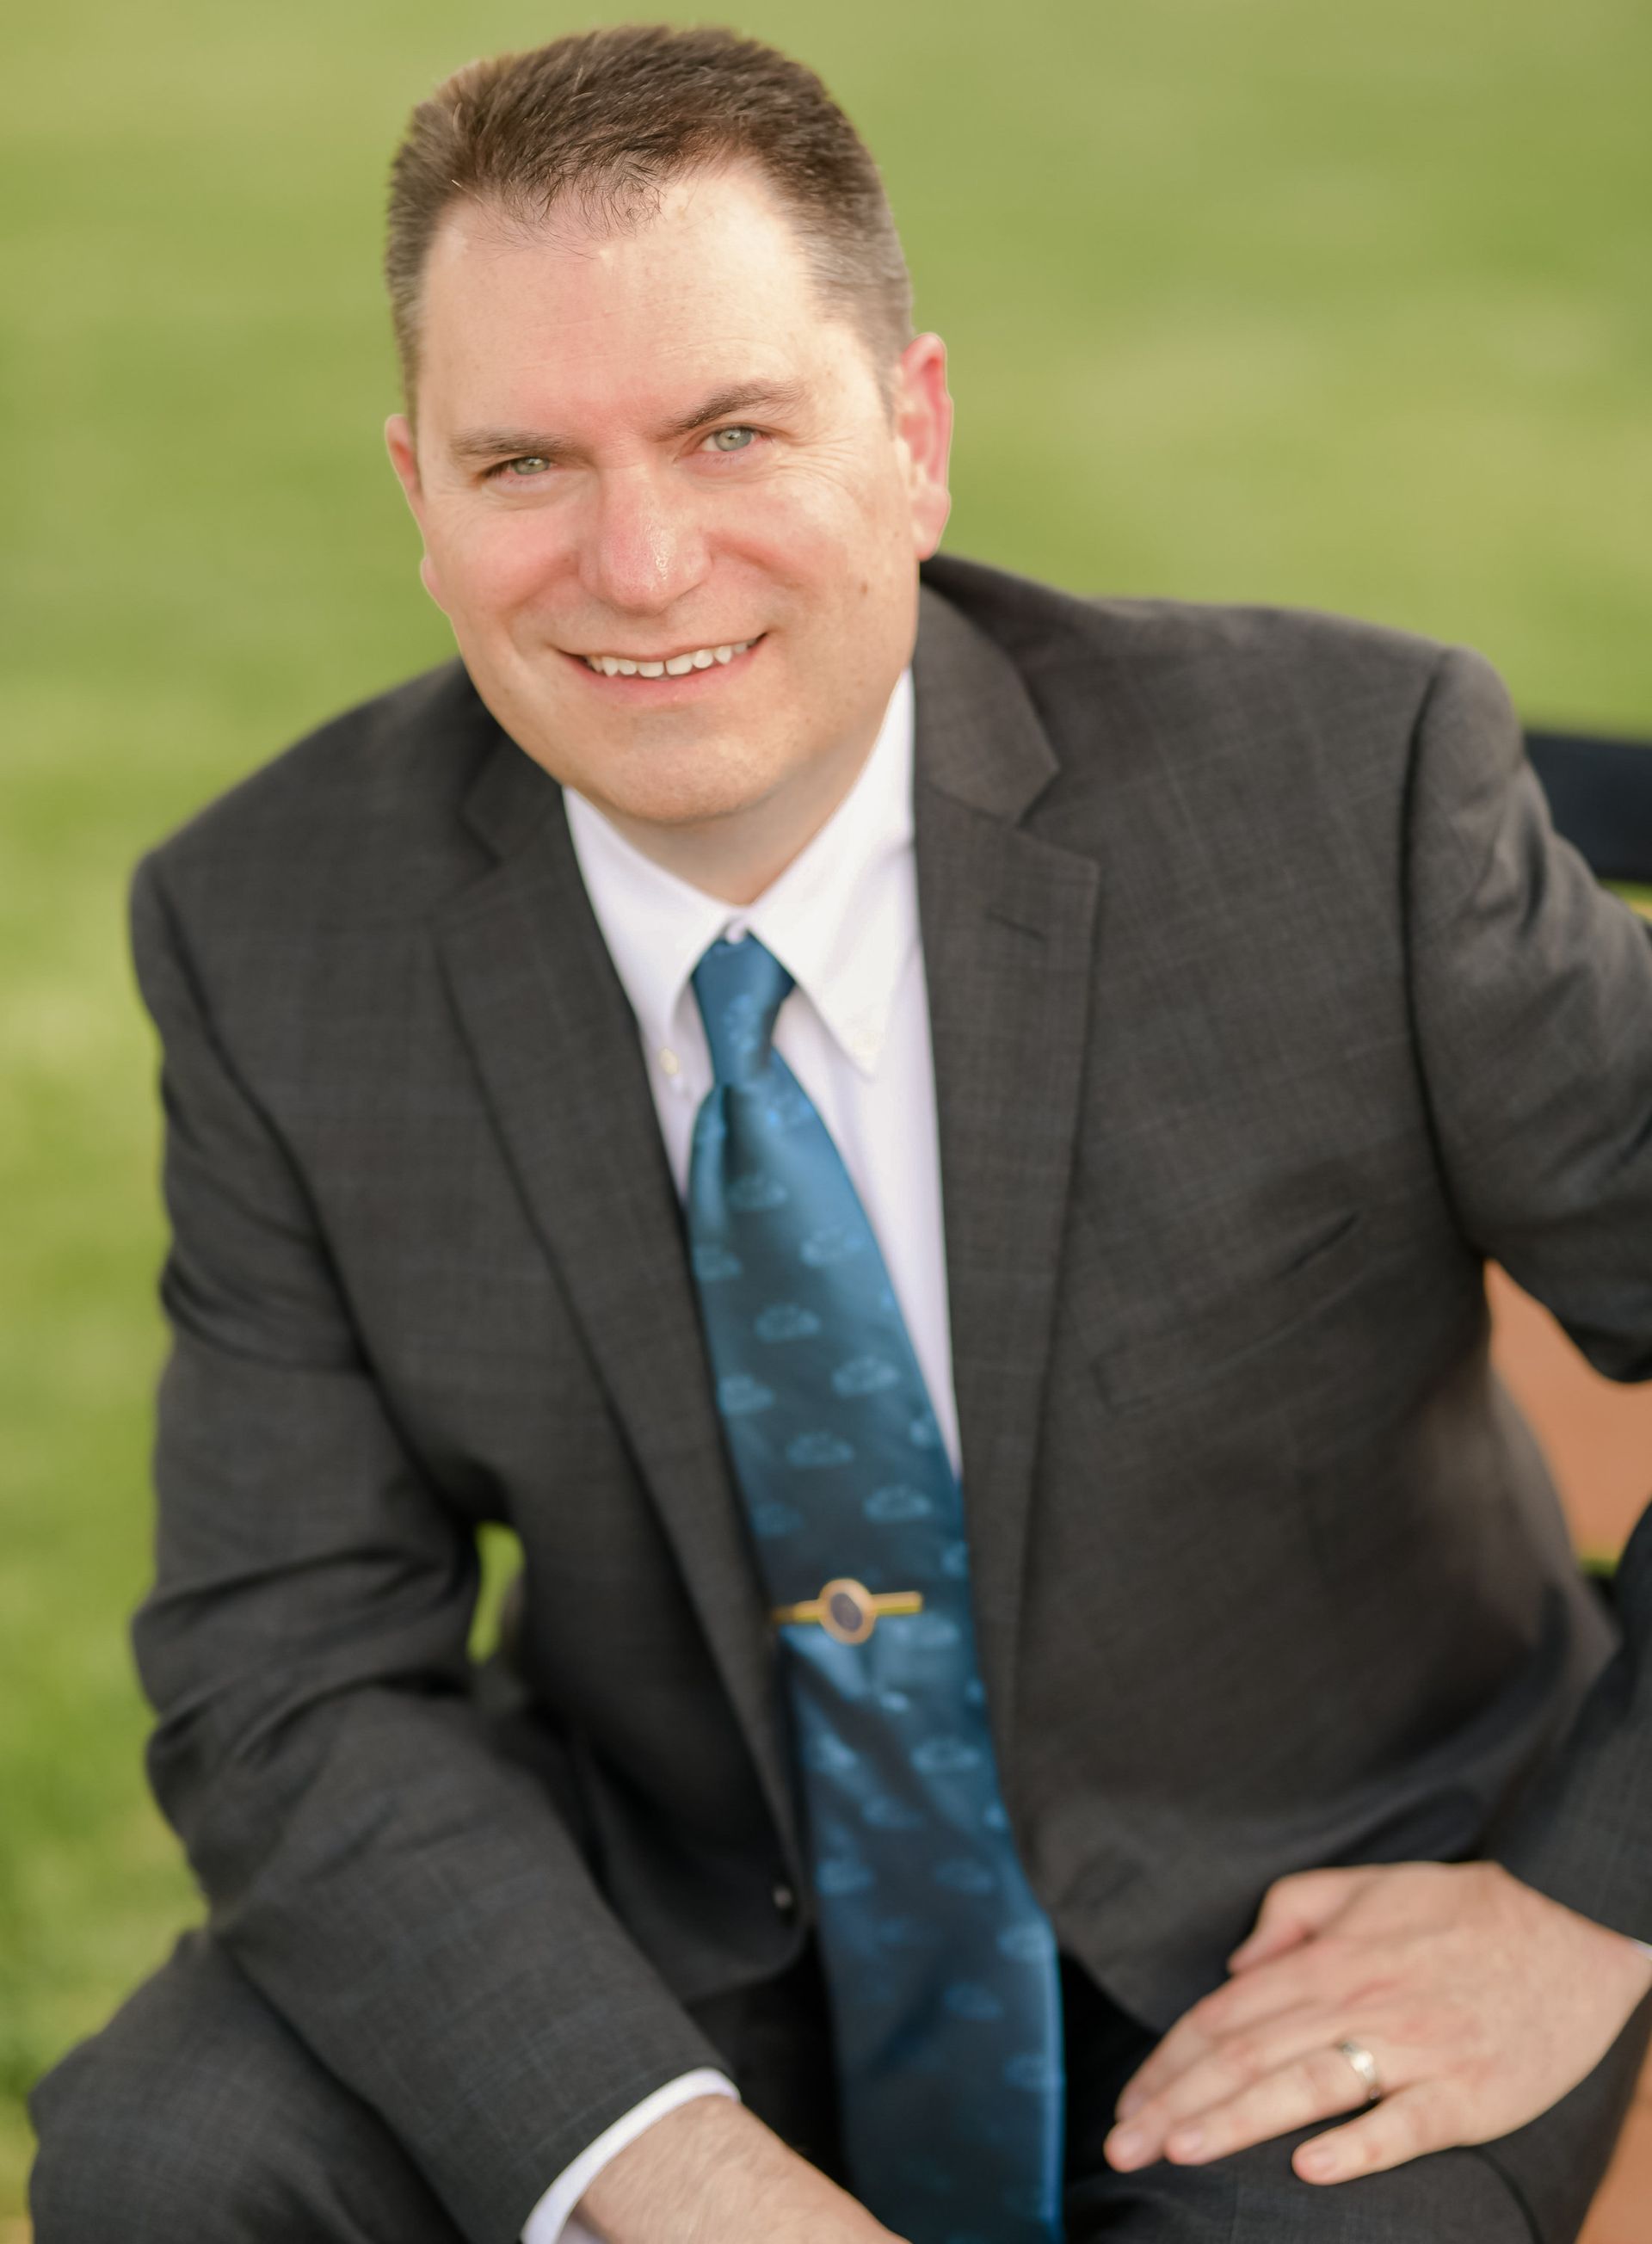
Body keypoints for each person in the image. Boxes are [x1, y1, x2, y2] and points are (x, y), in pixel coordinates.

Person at [27, 24, 1652, 2244]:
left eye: (730, 430)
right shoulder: (271, 924)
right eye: (527, 465)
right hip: (681, 1923)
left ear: (916, 437)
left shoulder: (1347, 794)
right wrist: (675, 2175)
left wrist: (1586, 1906)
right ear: (417, 496)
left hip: (1335, 1907)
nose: (638, 556)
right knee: (163, 2166)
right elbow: (284, 1667)